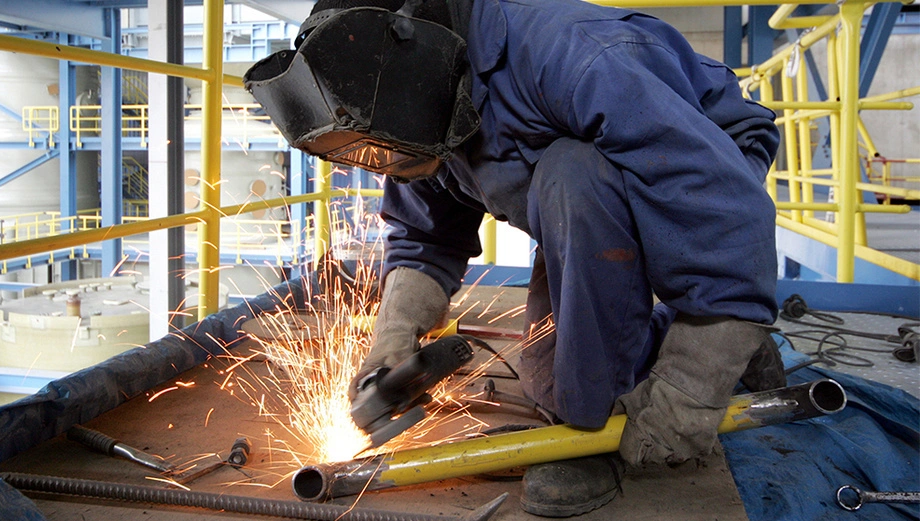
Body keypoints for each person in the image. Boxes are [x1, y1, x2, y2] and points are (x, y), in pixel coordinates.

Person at [245, 0, 787, 516]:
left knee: (575, 180)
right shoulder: (408, 100)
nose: (385, 166)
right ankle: (703, 347)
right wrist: (394, 336)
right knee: (546, 367)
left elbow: (727, 220)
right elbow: (425, 232)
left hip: (704, 153)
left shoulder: (572, 57)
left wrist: (692, 389)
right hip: (581, 185)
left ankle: (590, 431)